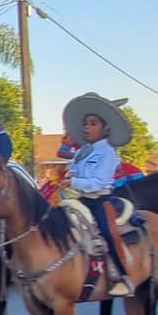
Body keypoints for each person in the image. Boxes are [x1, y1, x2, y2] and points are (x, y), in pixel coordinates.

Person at [58, 92, 136, 297]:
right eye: (85, 123)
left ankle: (123, 277)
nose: (87, 127)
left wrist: (73, 181)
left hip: (99, 200)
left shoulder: (108, 153)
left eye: (93, 123)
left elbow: (98, 183)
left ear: (105, 128)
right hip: (77, 199)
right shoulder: (82, 151)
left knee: (108, 232)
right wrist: (70, 176)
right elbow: (72, 171)